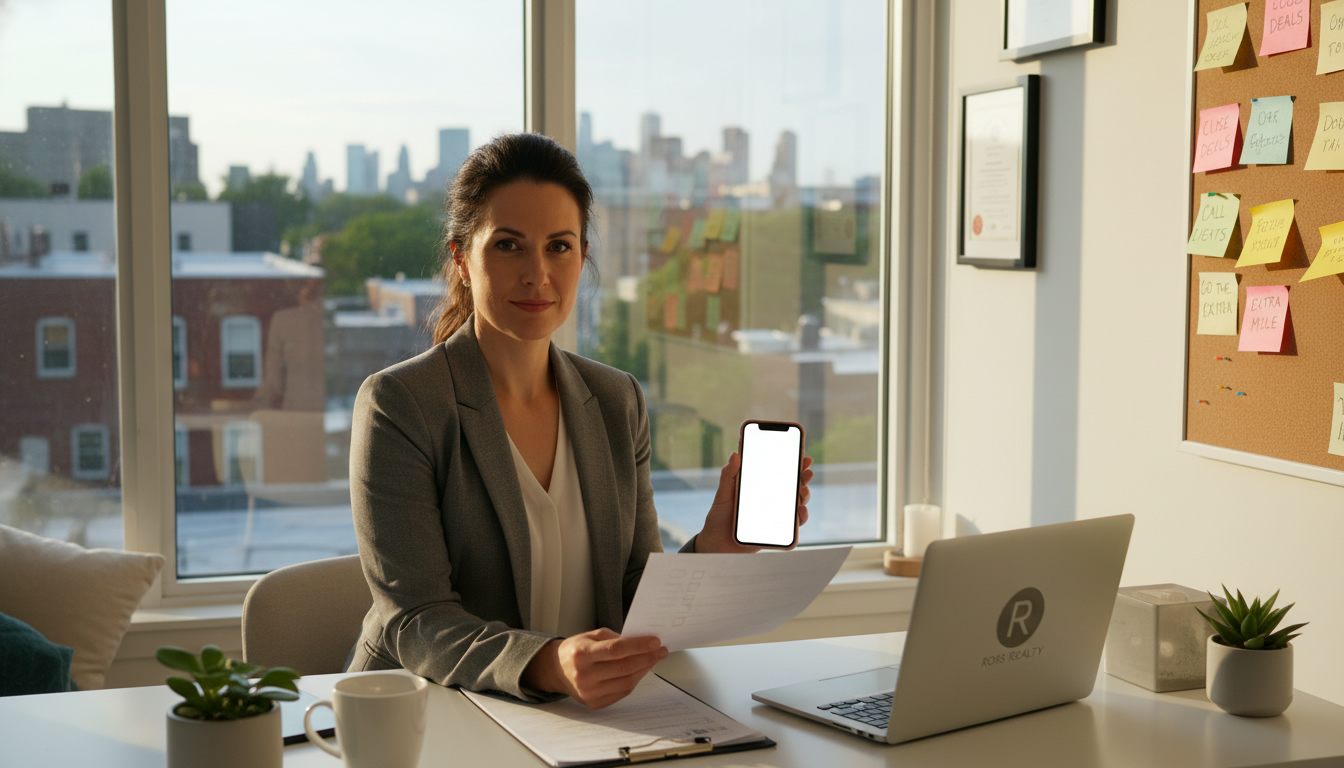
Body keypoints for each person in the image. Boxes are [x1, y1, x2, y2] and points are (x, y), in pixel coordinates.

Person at [346, 133, 813, 709]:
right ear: (462, 259)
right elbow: (416, 619)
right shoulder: (400, 404)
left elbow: (630, 596)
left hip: (581, 721)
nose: (537, 273)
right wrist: (550, 663)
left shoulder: (616, 399)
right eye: (509, 246)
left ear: (583, 257)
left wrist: (715, 547)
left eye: (559, 247)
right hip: (429, 713)